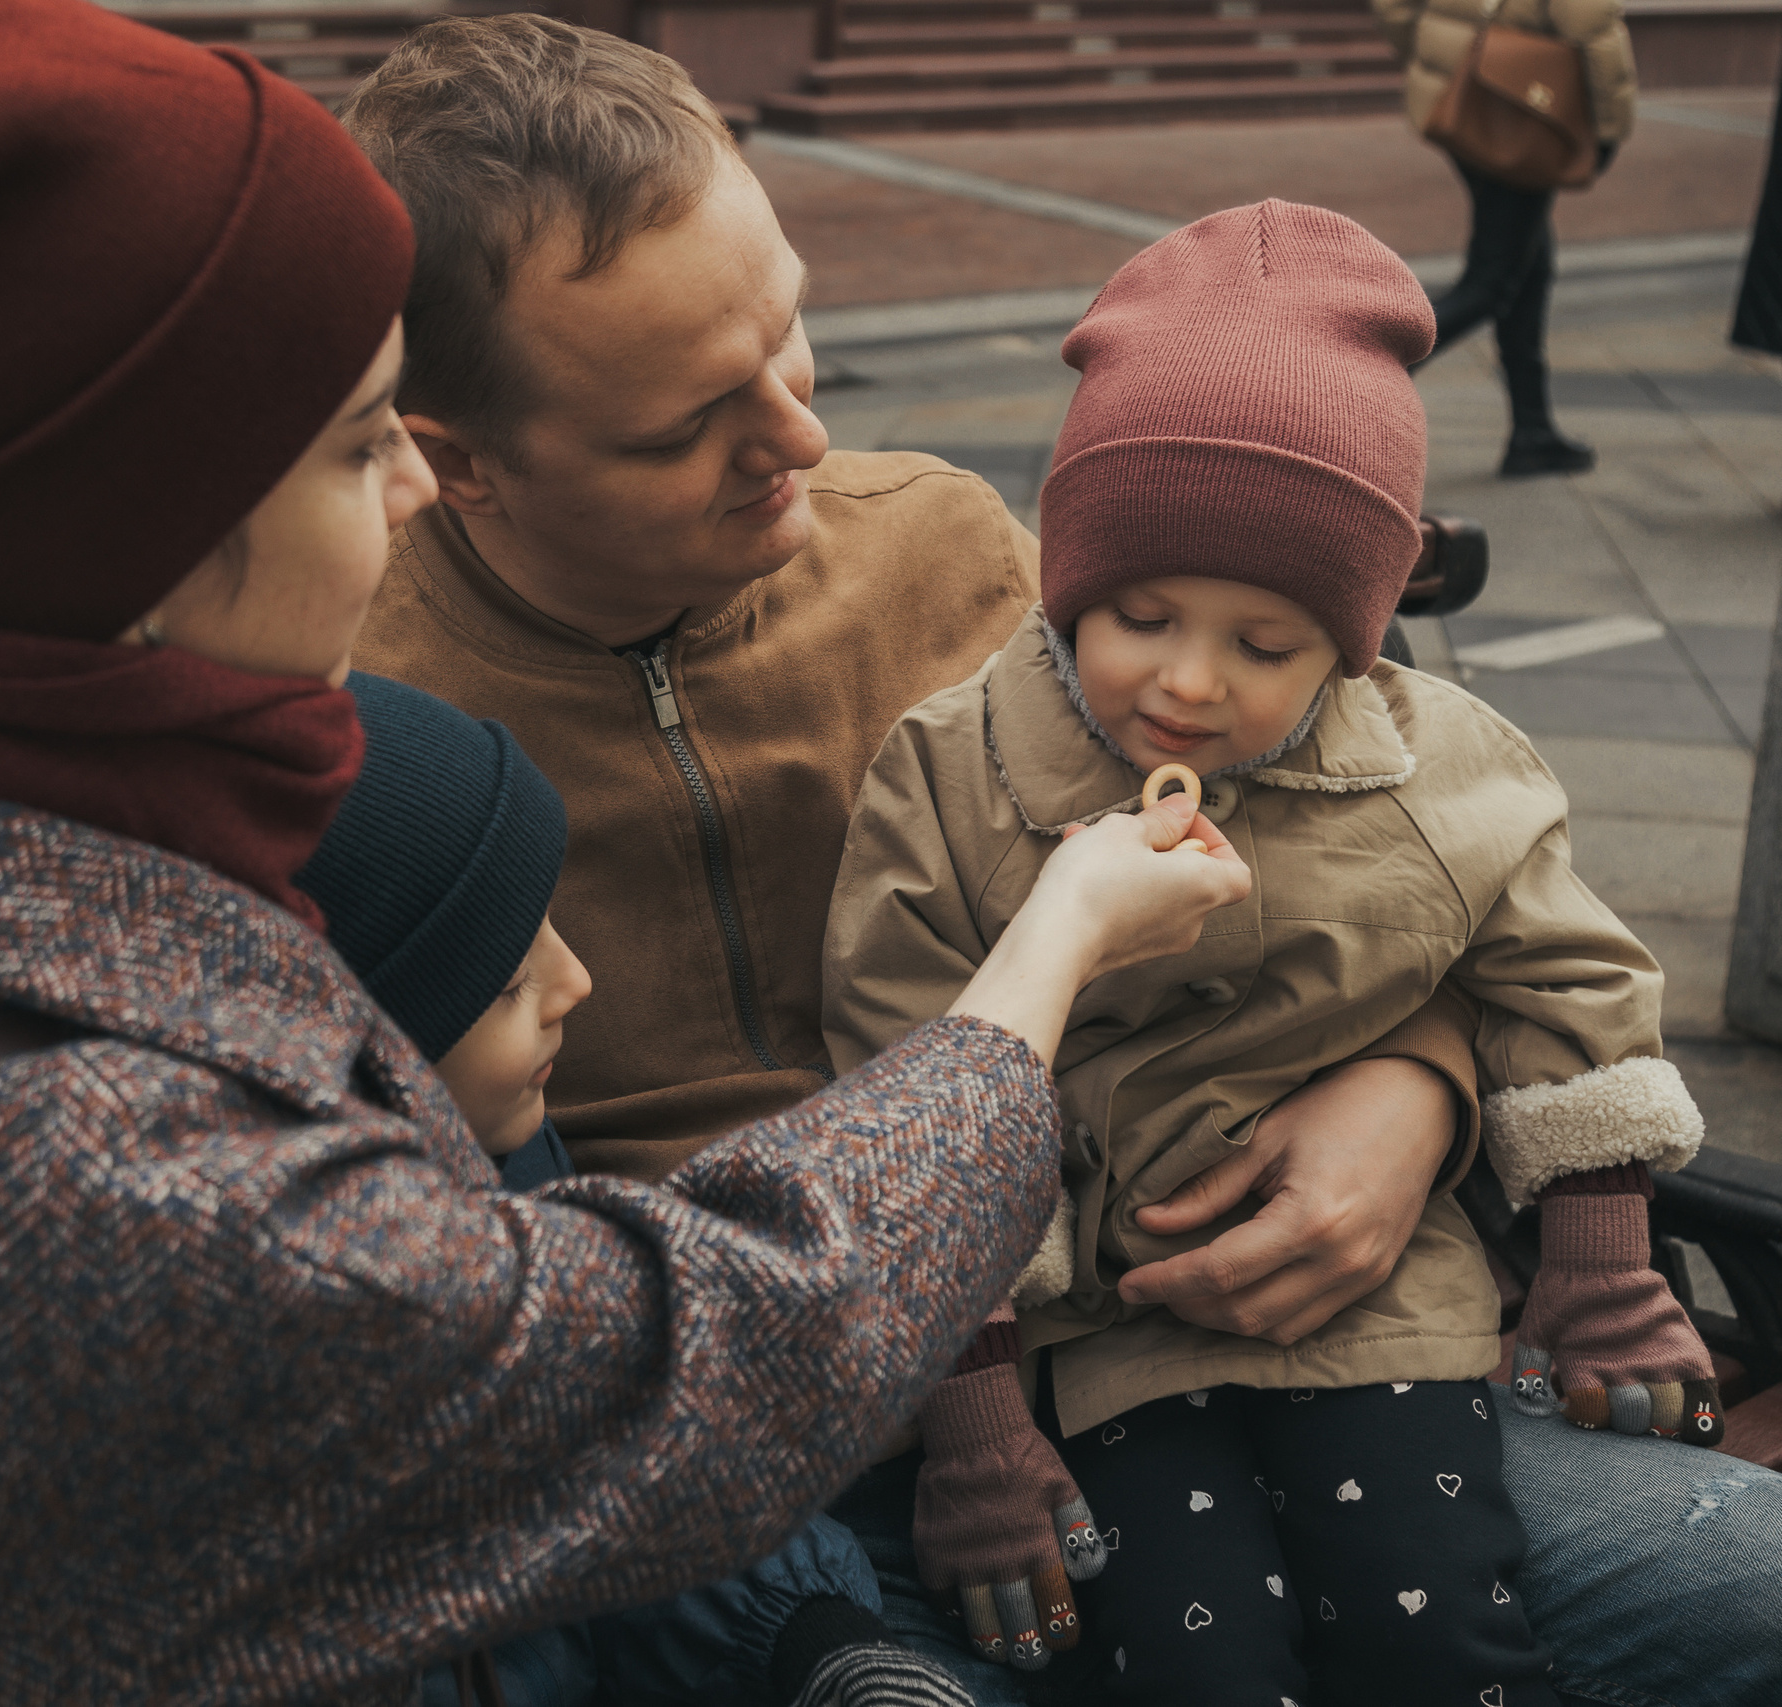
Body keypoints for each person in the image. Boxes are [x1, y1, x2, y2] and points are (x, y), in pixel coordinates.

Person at [0, 3, 1252, 1702]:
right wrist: (1046, 956)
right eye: (353, 447)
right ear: (136, 543)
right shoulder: (85, 1171)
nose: (403, 494)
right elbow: (687, 1372)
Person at [341, 16, 1782, 1704]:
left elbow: (1357, 849)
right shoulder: (355, 717)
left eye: (788, 334)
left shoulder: (952, 550)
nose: (797, 436)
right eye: (683, 426)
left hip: (1193, 1333)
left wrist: (1420, 1082)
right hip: (745, 1477)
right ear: (456, 461)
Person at [824, 201, 1726, 1706]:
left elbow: (1570, 985)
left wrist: (1600, 1263)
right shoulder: (951, 778)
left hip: (1381, 1313)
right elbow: (911, 1087)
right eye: (1140, 614)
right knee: (1202, 1663)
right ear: (1070, 578)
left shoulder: (1443, 770)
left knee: (1431, 1628)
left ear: (1353, 640)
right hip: (1103, 1342)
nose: (1186, 682)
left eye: (1265, 644)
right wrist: (974, 1424)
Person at [298, 670, 979, 1707]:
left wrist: (815, 1638)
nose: (576, 981)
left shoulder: (501, 1154)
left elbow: (616, 1459)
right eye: (506, 983)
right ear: (369, 1053)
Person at [1374, 0, 1637, 477]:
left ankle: (1532, 431)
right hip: (1523, 108)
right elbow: (1591, 26)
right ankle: (1365, 376)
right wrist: (1609, 129)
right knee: (1491, 282)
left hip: (1461, 95)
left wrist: (1441, 56)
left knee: (1529, 264)